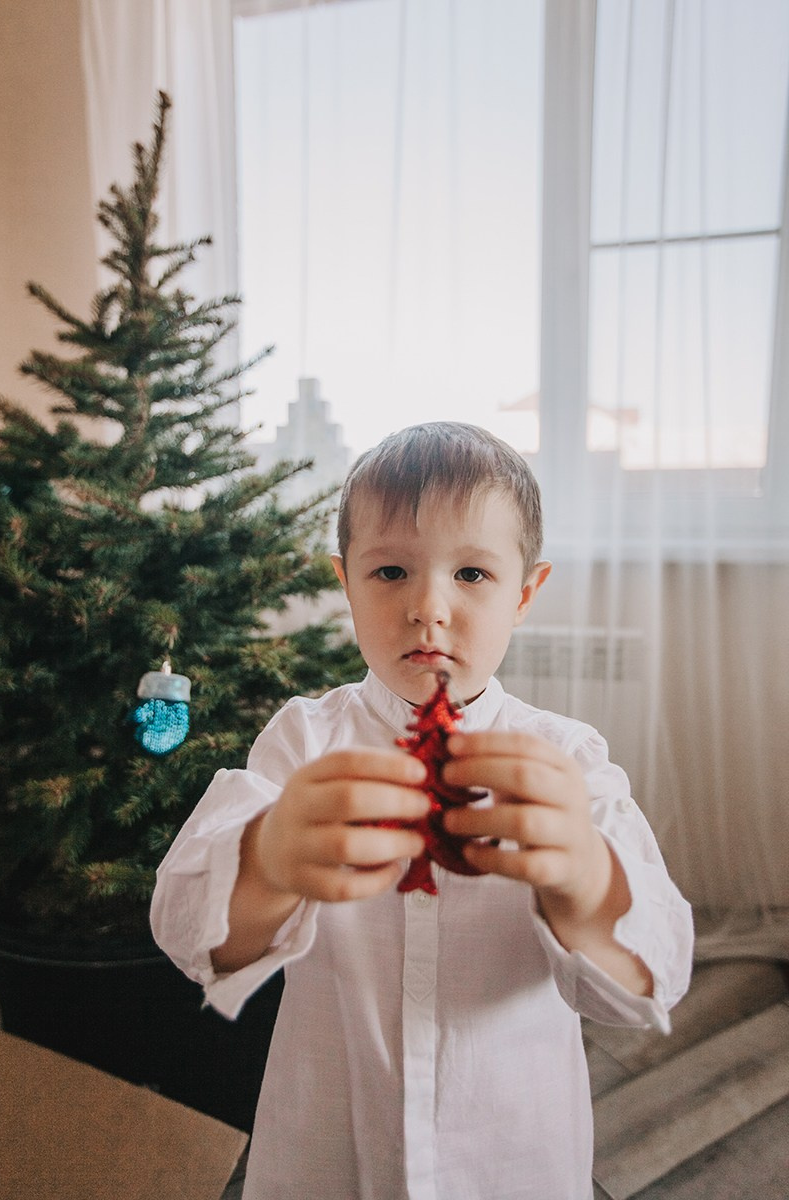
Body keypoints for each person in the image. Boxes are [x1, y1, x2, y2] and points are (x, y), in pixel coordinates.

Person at [151, 421, 693, 1200]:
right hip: (329, 1154)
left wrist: (584, 879)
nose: (427, 609)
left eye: (471, 573)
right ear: (347, 583)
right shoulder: (305, 741)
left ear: (526, 593)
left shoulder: (566, 763)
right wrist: (267, 860)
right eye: (392, 572)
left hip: (511, 1161)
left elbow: (656, 977)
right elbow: (185, 929)